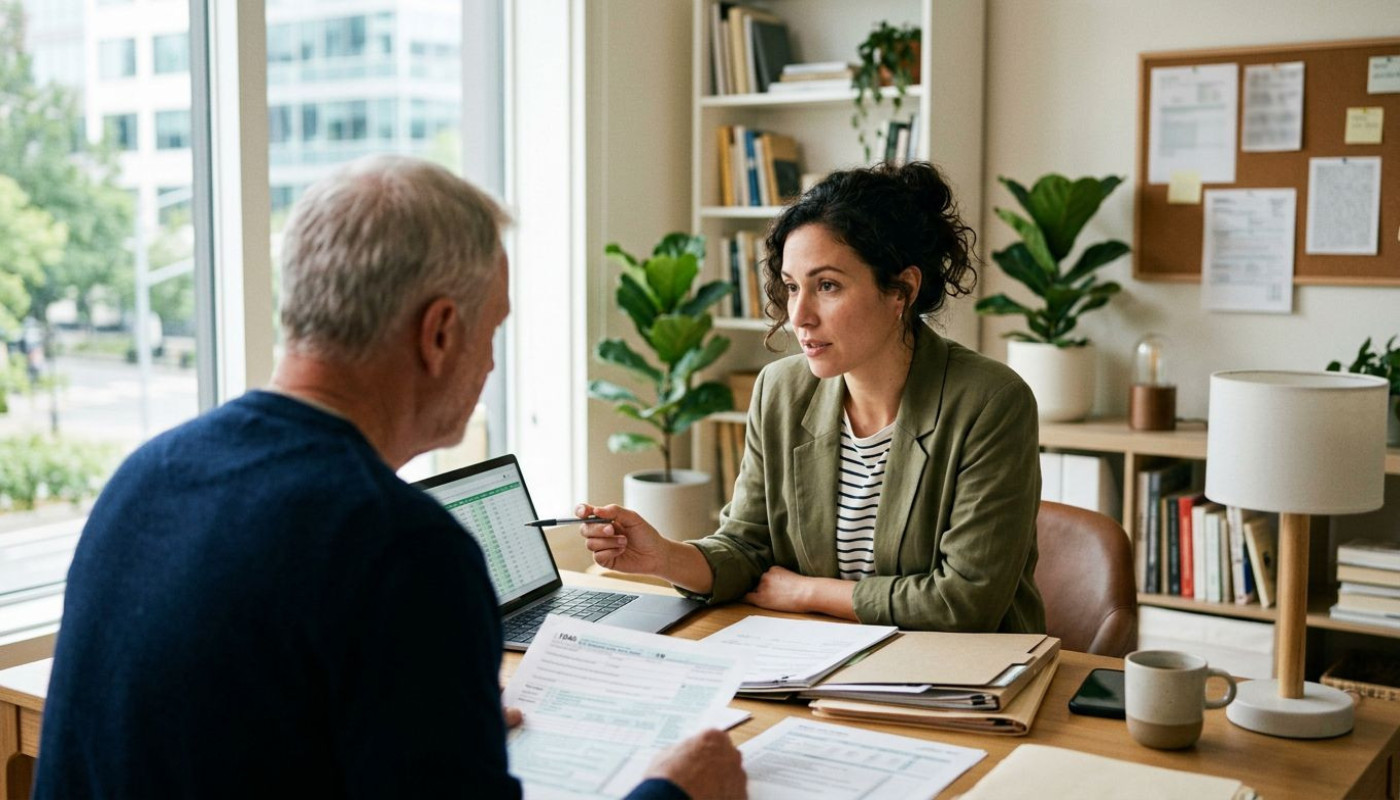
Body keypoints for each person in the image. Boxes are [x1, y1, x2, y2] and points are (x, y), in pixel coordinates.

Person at [35, 156, 745, 800]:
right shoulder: (401, 548)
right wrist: (676, 793)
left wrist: (434, 729)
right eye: (492, 332)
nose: (490, 365)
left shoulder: (145, 478)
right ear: (439, 333)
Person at [580, 161, 1045, 634]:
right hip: (821, 655)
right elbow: (745, 548)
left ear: (902, 290)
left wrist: (808, 592)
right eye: (791, 286)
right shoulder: (780, 390)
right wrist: (664, 557)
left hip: (960, 668)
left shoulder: (991, 402)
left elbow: (964, 600)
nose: (799, 315)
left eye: (827, 286)